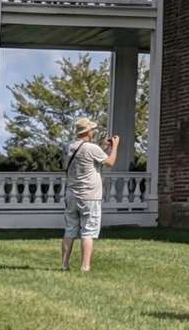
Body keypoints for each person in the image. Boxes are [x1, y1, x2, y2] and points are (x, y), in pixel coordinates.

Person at [61, 116, 119, 272]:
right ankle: (85, 266)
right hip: (90, 196)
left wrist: (103, 147)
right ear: (87, 131)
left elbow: (93, 158)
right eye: (92, 129)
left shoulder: (68, 147)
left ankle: (64, 264)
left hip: (71, 194)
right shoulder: (92, 148)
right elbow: (110, 162)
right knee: (88, 232)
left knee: (70, 230)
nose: (93, 131)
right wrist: (115, 147)